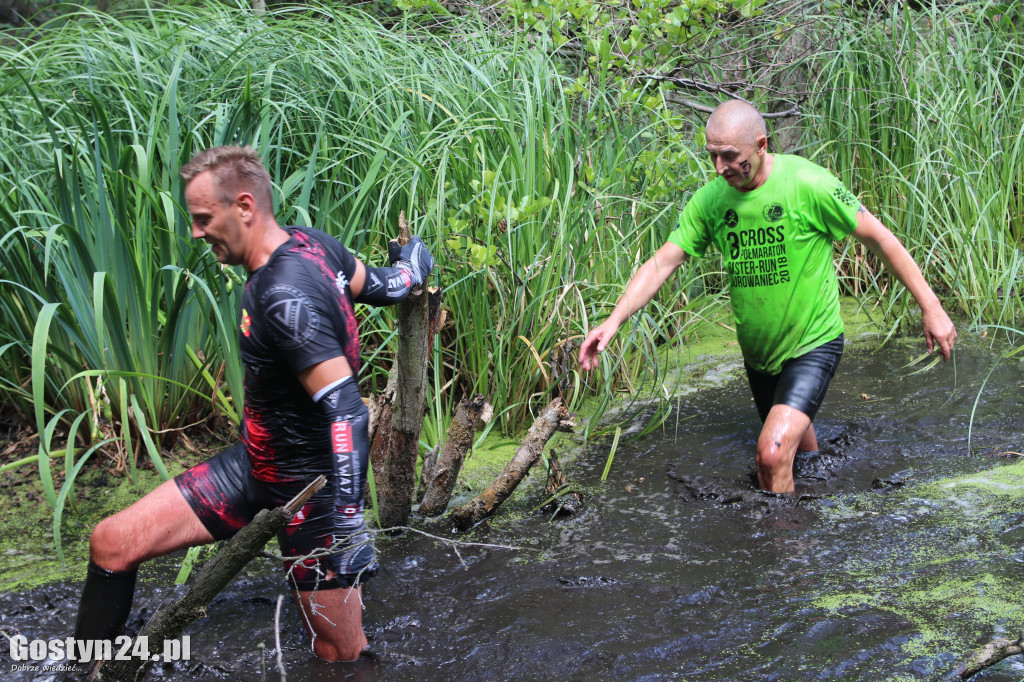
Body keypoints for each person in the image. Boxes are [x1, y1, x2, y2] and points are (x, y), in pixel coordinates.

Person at [73, 145, 434, 662]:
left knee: (340, 655)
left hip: (313, 496)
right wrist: (410, 271)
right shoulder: (314, 247)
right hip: (252, 467)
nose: (196, 232)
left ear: (244, 206)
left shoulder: (283, 298)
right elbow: (377, 283)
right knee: (113, 542)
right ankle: (90, 672)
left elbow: (347, 410)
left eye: (203, 218)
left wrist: (349, 521)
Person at [578, 100, 957, 495]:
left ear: (761, 145)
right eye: (713, 156)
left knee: (771, 455)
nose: (720, 167)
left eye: (730, 156)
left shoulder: (809, 184)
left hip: (813, 342)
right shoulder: (712, 200)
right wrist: (614, 320)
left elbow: (879, 237)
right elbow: (663, 262)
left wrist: (931, 308)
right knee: (799, 461)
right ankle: (812, 519)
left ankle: (785, 552)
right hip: (759, 356)